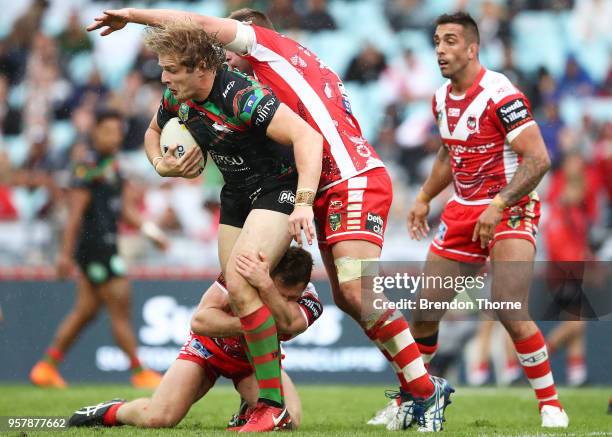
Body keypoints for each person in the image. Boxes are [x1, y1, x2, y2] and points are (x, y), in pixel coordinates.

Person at [88, 8, 452, 432]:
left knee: (354, 289)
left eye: (229, 47)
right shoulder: (258, 81)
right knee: (345, 296)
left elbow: (199, 30)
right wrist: (174, 156)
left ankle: (422, 390)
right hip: (318, 186)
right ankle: (414, 388)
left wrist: (133, 15)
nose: (226, 57)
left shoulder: (262, 59)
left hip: (349, 179)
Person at [93, 20, 323, 432]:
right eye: (163, 70)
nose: (164, 78)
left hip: (276, 189)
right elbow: (151, 133)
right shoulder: (176, 98)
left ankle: (271, 405)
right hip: (236, 197)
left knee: (241, 280)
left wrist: (304, 202)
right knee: (237, 291)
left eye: (172, 70)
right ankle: (255, 399)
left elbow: (308, 138)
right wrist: (161, 164)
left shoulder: (241, 95)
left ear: (202, 66)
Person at [405, 12, 568, 428]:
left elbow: (538, 159)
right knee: (424, 312)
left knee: (509, 306)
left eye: (451, 41)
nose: (440, 49)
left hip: (511, 205)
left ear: (473, 48)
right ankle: (416, 403)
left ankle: (551, 405)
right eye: (437, 40)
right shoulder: (440, 98)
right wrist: (424, 197)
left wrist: (499, 204)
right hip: (463, 207)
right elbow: (448, 152)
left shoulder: (501, 94)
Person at [67, 247, 320, 431]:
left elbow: (290, 324)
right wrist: (254, 326)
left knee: (288, 422)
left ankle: (248, 409)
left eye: (291, 298)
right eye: (281, 294)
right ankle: (111, 410)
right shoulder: (243, 274)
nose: (286, 302)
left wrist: (265, 288)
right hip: (208, 350)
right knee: (159, 418)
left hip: (254, 363)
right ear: (270, 273)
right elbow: (200, 320)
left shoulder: (309, 301)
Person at [30, 110, 168, 389]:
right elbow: (74, 216)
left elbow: (125, 211)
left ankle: (46, 367)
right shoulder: (86, 168)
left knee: (86, 311)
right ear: (95, 133)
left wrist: (150, 232)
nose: (114, 137)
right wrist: (65, 256)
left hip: (105, 243)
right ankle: (139, 372)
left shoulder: (114, 166)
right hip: (95, 248)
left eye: (118, 132)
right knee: (120, 305)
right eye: (108, 131)